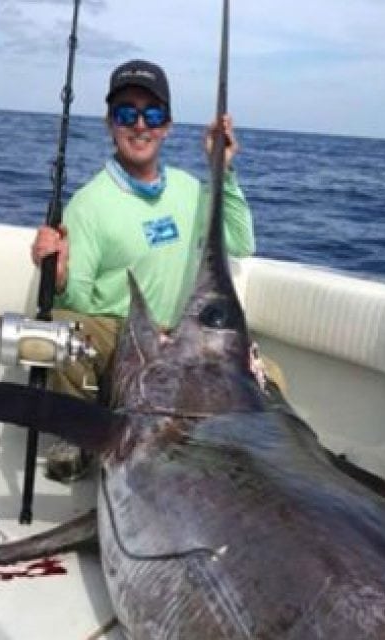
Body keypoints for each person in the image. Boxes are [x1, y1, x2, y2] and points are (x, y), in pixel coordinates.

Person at [30, 59, 285, 481]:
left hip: (186, 344)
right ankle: (80, 439)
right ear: (111, 123)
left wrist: (224, 169)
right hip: (124, 342)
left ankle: (228, 462)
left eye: (152, 114)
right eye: (127, 113)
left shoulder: (190, 189)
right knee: (60, 330)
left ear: (167, 125)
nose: (140, 125)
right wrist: (57, 279)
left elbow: (241, 242)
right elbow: (78, 300)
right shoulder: (90, 204)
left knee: (271, 378)